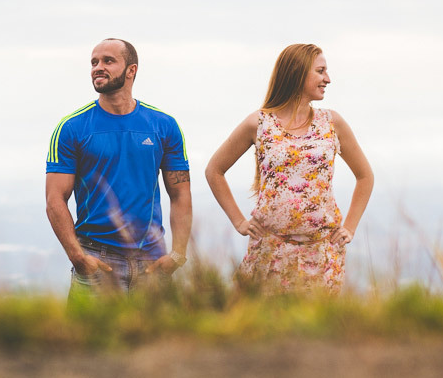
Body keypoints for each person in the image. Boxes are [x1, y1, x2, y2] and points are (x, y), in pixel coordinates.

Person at [205, 43, 374, 294]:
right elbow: (214, 170)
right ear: (297, 73)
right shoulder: (259, 122)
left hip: (322, 253)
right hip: (270, 251)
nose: (328, 79)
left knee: (318, 330)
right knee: (265, 328)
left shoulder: (332, 122)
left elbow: (365, 176)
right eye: (320, 71)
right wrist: (239, 221)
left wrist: (349, 227)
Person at [45, 38, 192, 295]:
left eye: (108, 61)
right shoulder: (71, 128)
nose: (97, 67)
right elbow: (55, 198)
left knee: (158, 337)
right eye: (94, 62)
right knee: (89, 337)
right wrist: (78, 257)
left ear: (131, 70)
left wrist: (178, 255)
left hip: (152, 263)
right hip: (97, 260)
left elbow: (180, 193)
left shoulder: (164, 125)